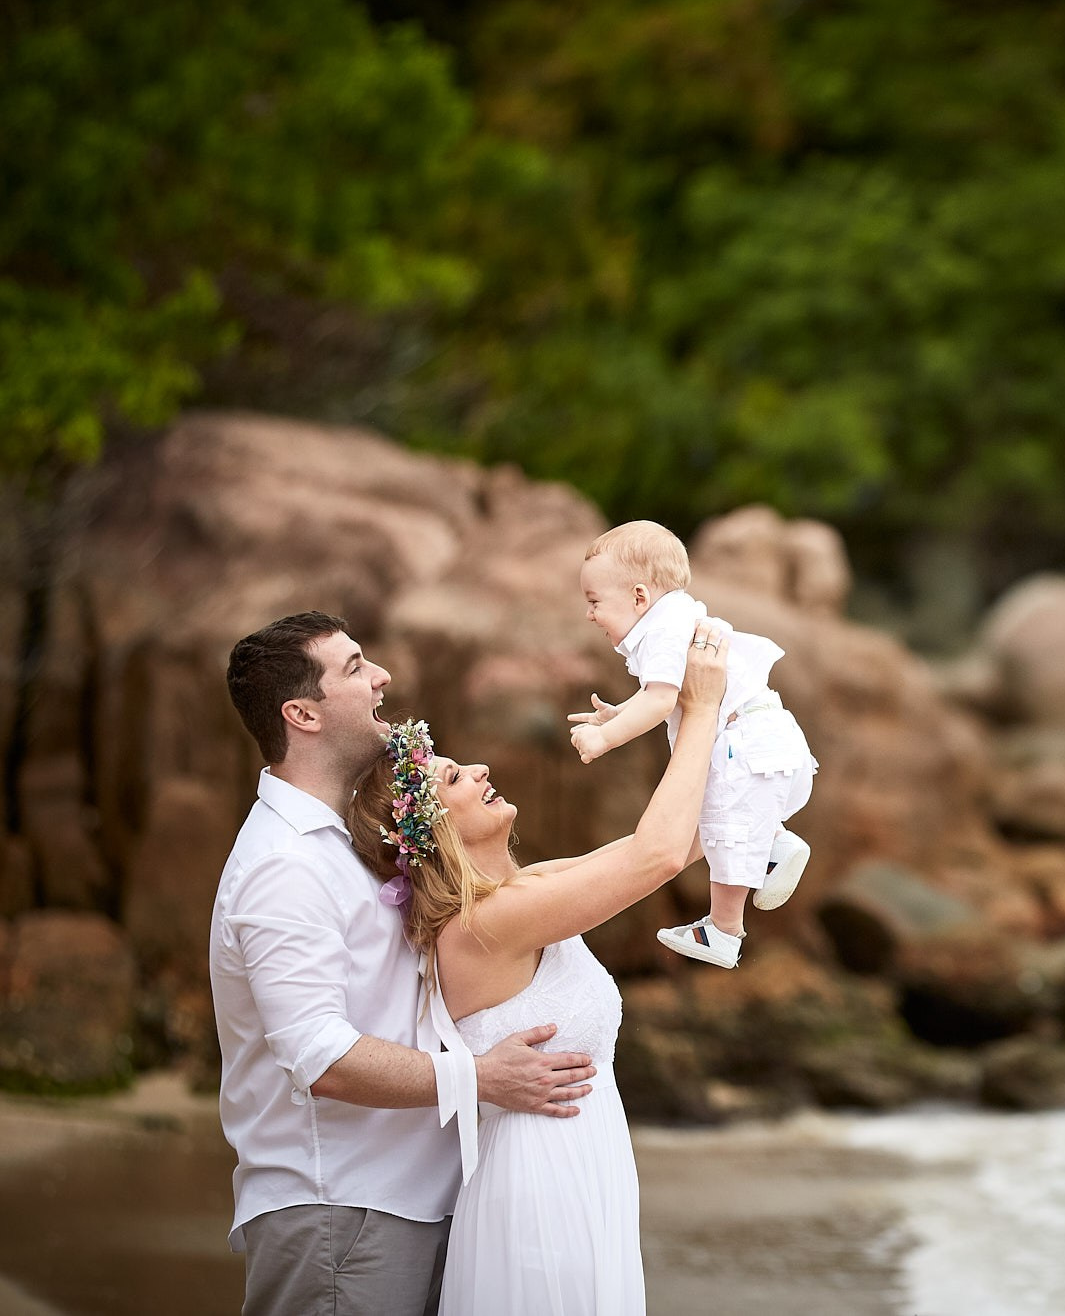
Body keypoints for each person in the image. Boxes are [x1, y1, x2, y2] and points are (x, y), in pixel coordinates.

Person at [214, 611, 601, 1316]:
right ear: (302, 713)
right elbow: (319, 1055)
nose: (382, 677)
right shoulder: (282, 864)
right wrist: (481, 1077)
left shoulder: (347, 843)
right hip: (340, 1210)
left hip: (416, 1203)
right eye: (355, 668)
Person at [346, 619, 731, 1316]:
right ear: (433, 830)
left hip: (584, 1175)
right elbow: (657, 856)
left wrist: (713, 724)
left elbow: (686, 840)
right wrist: (700, 709)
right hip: (541, 1198)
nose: (481, 770)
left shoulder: (525, 890)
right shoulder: (484, 924)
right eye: (456, 777)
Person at [569, 519, 818, 969]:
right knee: (734, 814)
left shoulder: (661, 631)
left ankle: (724, 930)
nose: (589, 614)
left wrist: (605, 737)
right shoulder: (675, 617)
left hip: (747, 746)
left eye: (594, 601)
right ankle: (776, 846)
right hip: (769, 737)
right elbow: (661, 693)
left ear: (639, 596)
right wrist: (618, 713)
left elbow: (662, 700)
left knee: (723, 825)